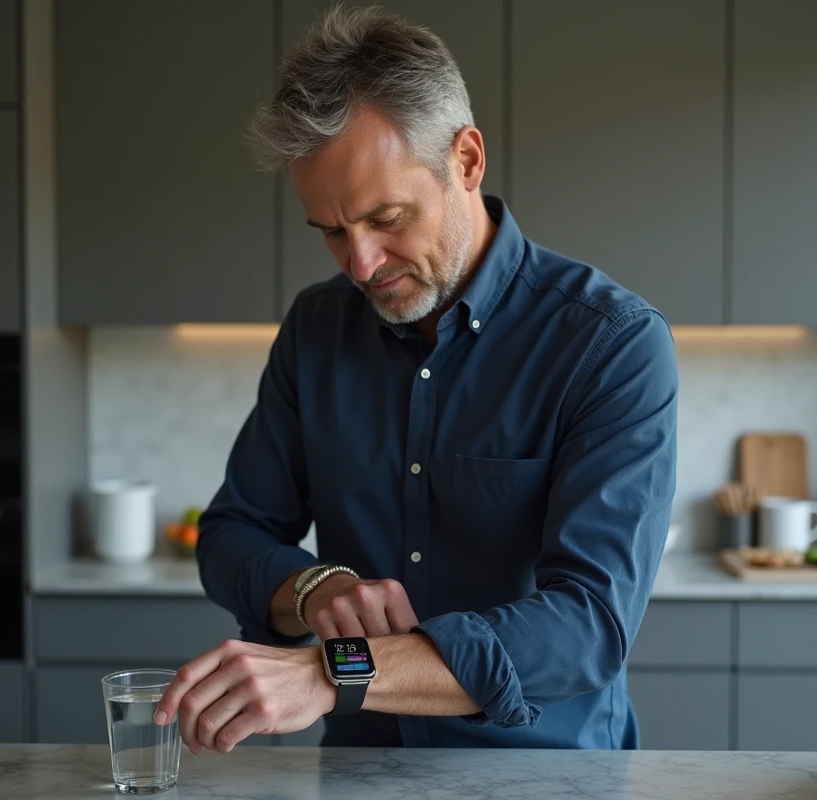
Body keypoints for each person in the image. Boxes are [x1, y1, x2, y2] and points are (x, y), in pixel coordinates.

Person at [153, 4, 678, 754]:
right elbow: (234, 531)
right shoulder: (317, 327)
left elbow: (588, 626)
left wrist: (340, 671)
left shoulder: (611, 343)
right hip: (362, 773)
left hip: (541, 781)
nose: (360, 263)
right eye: (333, 231)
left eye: (386, 217)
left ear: (465, 160)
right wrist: (316, 590)